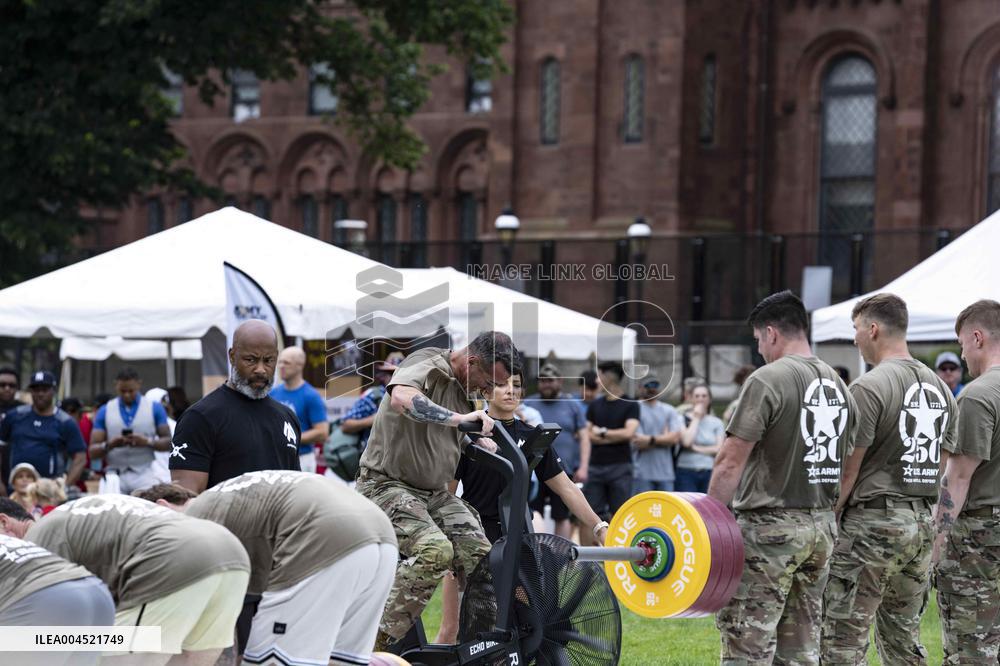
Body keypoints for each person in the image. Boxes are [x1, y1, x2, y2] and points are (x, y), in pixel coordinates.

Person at [709, 290, 858, 665]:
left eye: (759, 339)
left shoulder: (767, 380)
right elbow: (846, 464)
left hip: (769, 529)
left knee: (748, 641)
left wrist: (708, 522)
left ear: (772, 333)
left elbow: (730, 461)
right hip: (820, 526)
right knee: (801, 647)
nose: (759, 348)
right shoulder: (840, 386)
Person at [356, 331, 518, 647]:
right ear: (471, 361)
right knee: (435, 550)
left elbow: (453, 431)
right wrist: (460, 420)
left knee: (482, 559)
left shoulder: (467, 389)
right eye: (487, 381)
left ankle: (480, 648)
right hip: (384, 485)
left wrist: (475, 438)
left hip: (433, 494)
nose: (487, 391)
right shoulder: (427, 363)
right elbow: (402, 398)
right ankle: (372, 644)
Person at [821, 293, 958, 664]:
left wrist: (829, 517)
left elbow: (849, 468)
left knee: (841, 638)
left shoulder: (868, 387)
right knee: (902, 640)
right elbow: (941, 462)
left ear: (874, 329)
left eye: (856, 329)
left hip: (872, 525)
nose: (855, 339)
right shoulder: (942, 388)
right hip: (919, 524)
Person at [140, 472, 398, 666]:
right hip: (381, 535)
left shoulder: (191, 524)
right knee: (338, 660)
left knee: (270, 660)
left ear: (162, 508)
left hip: (325, 536)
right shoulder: (226, 501)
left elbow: (205, 632)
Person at [435, 369, 608, 644]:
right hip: (470, 536)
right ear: (485, 392)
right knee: (452, 630)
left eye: (516, 385)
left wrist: (599, 527)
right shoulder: (469, 435)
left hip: (516, 538)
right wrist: (447, 542)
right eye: (501, 384)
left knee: (520, 624)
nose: (510, 391)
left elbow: (567, 488)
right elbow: (447, 493)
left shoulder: (532, 437)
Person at [1, 493, 251, 666]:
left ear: (4, 522)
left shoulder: (36, 542)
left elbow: (53, 629)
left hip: (175, 557)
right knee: (186, 657)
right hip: (230, 549)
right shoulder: (72, 514)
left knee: (110, 654)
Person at [933, 299, 1000, 662]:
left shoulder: (978, 395)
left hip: (980, 532)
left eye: (961, 345)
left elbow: (956, 480)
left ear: (977, 338)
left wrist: (935, 544)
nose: (962, 356)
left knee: (971, 646)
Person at [170, 320, 301, 494]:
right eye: (251, 360)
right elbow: (185, 499)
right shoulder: (199, 418)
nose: (260, 369)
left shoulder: (287, 417)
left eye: (268, 360)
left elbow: (295, 491)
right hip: (220, 521)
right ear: (232, 356)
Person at [0, 499, 115, 666]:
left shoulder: (38, 534)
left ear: (4, 521)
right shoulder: (25, 543)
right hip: (97, 593)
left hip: (49, 598)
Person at [523, 362, 591, 539]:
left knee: (562, 516)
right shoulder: (529, 403)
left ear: (560, 381)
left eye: (550, 380)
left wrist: (583, 466)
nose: (546, 384)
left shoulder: (572, 405)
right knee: (533, 512)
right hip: (534, 469)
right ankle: (537, 554)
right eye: (543, 380)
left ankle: (561, 557)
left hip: (563, 469)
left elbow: (584, 437)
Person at [89, 367, 172, 495]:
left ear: (139, 384)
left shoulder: (154, 408)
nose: (127, 394)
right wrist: (110, 444)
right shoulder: (105, 410)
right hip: (114, 474)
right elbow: (92, 451)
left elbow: (168, 443)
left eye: (131, 391)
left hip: (144, 472)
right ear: (116, 385)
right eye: (123, 391)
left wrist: (147, 442)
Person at [0, 371, 87, 489]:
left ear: (53, 391)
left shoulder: (65, 421)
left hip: (49, 490)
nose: (40, 394)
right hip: (17, 488)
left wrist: (64, 488)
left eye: (45, 389)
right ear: (30, 391)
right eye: (36, 390)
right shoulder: (15, 416)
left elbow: (80, 458)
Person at [582, 361, 640, 534]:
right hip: (595, 467)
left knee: (621, 514)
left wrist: (602, 432)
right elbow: (588, 435)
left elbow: (629, 433)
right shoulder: (594, 405)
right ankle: (587, 560)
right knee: (589, 515)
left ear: (609, 378)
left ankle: (618, 556)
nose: (597, 382)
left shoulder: (630, 404)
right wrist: (614, 436)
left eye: (599, 377)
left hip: (620, 467)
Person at [270, 346, 330, 473]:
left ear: (299, 365)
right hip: (276, 458)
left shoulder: (310, 395)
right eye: (279, 362)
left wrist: (287, 438)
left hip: (302, 459)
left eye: (286, 362)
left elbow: (322, 432)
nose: (281, 366)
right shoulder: (273, 393)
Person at [339, 352, 405, 448]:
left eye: (398, 373)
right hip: (375, 459)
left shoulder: (413, 397)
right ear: (384, 375)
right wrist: (371, 420)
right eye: (390, 373)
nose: (394, 377)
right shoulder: (373, 396)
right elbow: (345, 425)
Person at [630, 376, 683, 494]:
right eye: (648, 386)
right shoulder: (634, 408)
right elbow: (638, 442)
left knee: (667, 510)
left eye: (655, 386)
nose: (652, 389)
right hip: (641, 474)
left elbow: (675, 438)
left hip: (665, 473)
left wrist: (650, 439)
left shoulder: (669, 410)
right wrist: (664, 438)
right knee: (642, 510)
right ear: (639, 388)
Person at [676, 384, 725, 493]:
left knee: (706, 507)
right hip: (685, 471)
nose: (700, 399)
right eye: (697, 396)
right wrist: (696, 418)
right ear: (691, 399)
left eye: (704, 396)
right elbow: (687, 442)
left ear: (710, 399)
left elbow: (719, 449)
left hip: (709, 470)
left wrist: (695, 448)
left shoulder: (717, 422)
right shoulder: (681, 418)